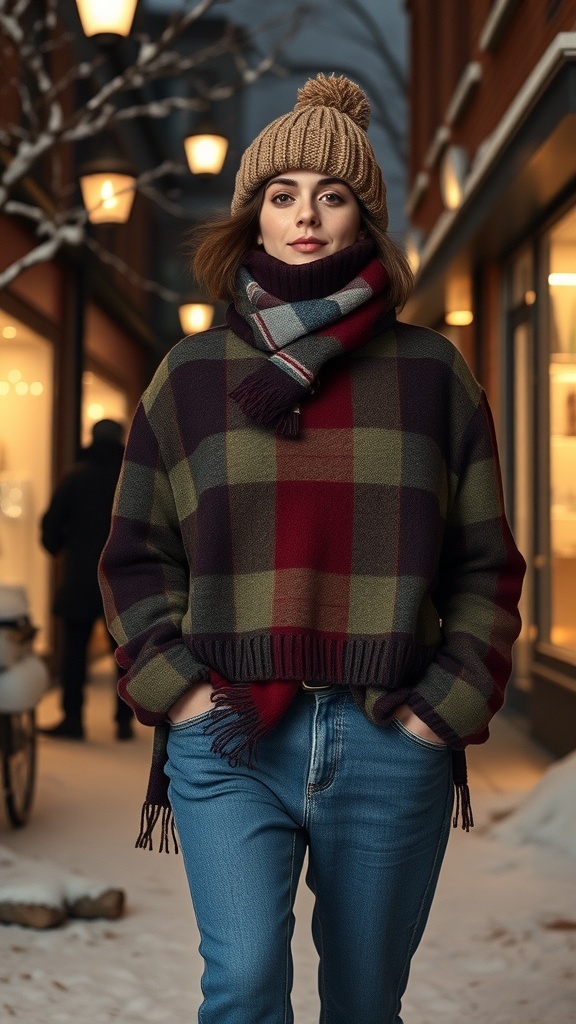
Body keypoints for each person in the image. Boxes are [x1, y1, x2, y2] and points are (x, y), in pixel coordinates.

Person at [99, 75, 526, 1023]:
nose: (307, 216)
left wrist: (436, 718)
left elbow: (485, 565)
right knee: (244, 984)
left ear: (362, 218)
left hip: (387, 733)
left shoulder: (429, 373)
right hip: (231, 732)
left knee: (365, 1002)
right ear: (253, 216)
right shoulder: (194, 376)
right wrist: (185, 692)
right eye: (283, 195)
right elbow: (136, 555)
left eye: (332, 196)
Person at [40, 419, 134, 741]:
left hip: (81, 577)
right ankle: (123, 722)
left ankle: (73, 720)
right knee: (124, 654)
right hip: (122, 578)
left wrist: (62, 546)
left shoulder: (75, 476)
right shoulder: (131, 476)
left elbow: (51, 529)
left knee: (74, 653)